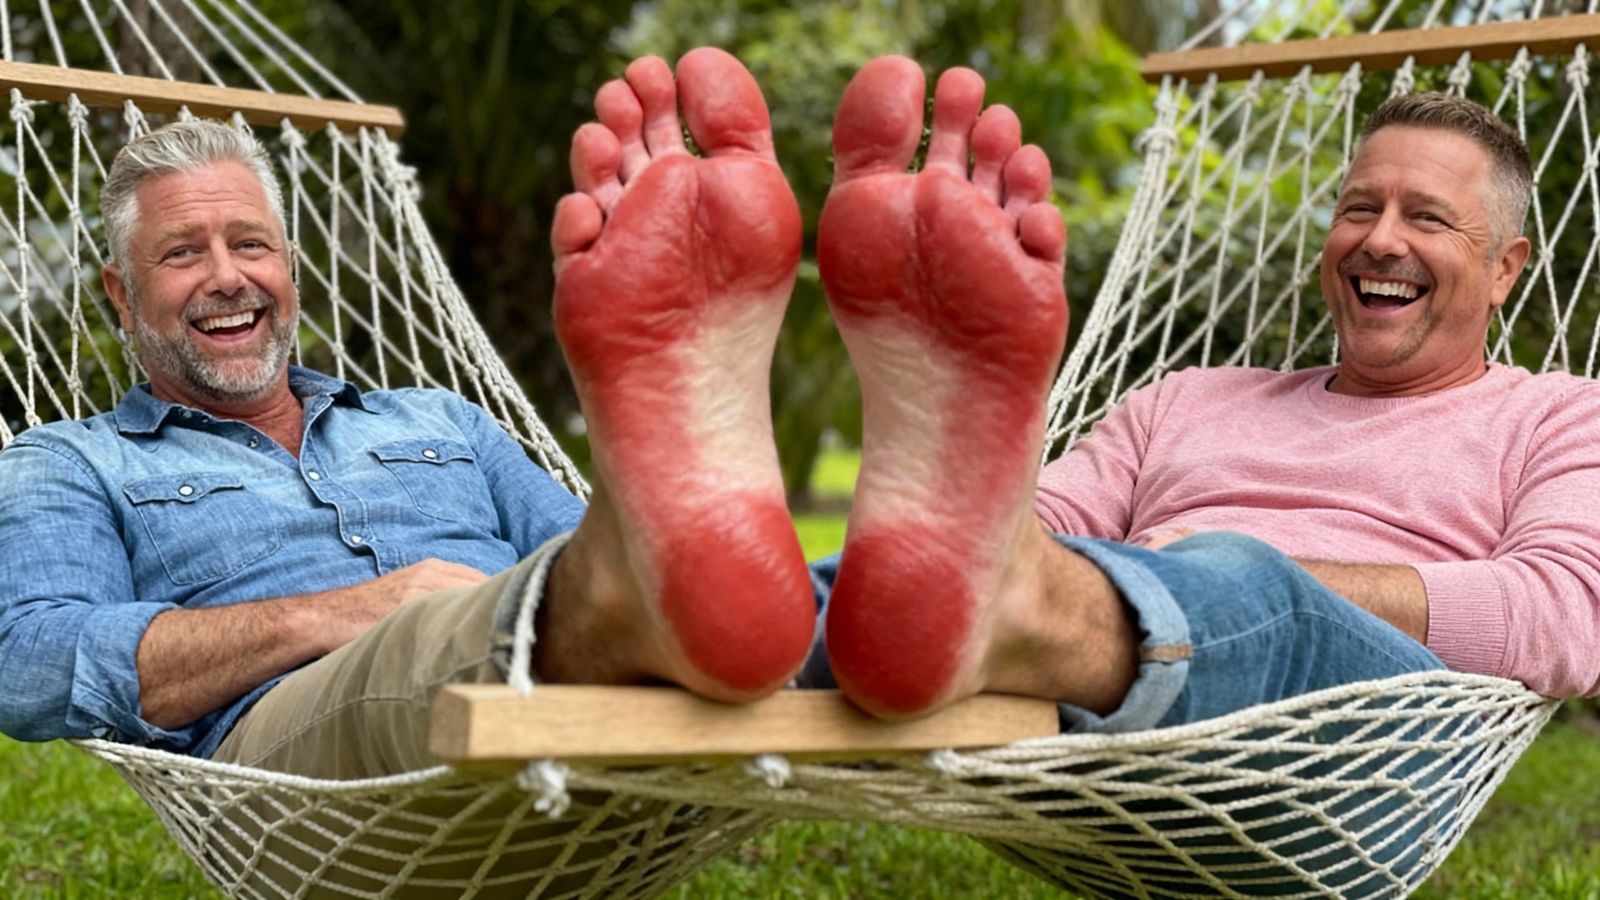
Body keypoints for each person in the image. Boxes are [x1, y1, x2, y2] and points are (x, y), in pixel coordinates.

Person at [0, 46, 1594, 790]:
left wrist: (1158, 563)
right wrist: (361, 606)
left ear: (1511, 265)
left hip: (1339, 719)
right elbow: (24, 663)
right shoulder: (63, 462)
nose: (1379, 237)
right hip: (343, 707)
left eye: (1429, 221)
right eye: (180, 255)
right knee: (547, 615)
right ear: (121, 303)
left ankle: (997, 611)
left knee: (1216, 590)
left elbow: (1561, 618)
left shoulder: (1557, 418)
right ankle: (928, 606)